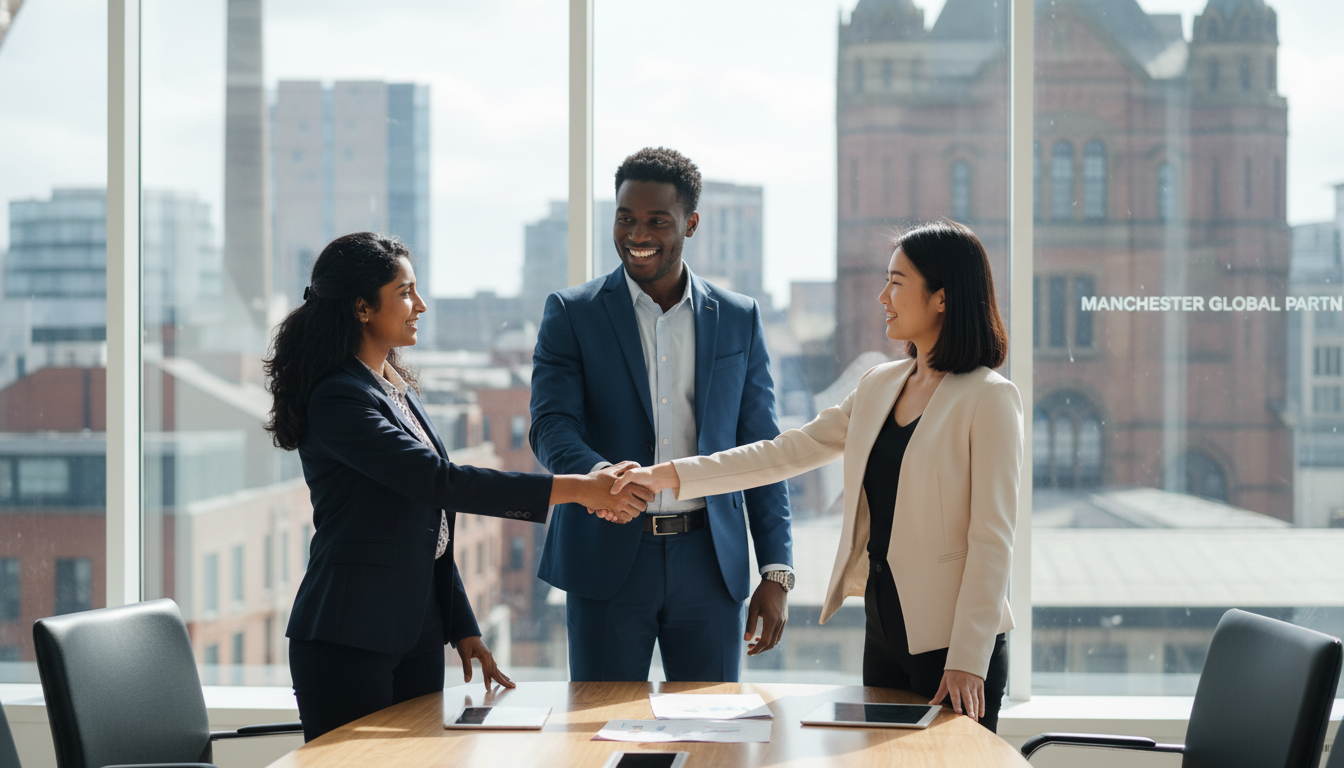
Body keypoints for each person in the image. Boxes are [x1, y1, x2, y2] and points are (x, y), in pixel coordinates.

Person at [612, 221, 1022, 731]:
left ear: (942, 297)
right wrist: (665, 476)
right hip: (885, 628)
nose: (882, 296)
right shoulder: (880, 384)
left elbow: (992, 540)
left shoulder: (990, 398)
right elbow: (783, 454)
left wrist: (967, 657)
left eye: (896, 282)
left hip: (956, 644)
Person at [265, 232, 652, 742]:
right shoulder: (339, 398)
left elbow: (429, 528)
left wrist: (462, 624)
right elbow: (439, 483)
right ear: (362, 307)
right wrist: (578, 488)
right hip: (348, 635)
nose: (419, 305)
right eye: (405, 292)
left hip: (416, 632)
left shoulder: (394, 390)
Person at [529, 147, 794, 683]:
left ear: (690, 223)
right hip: (606, 556)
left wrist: (776, 569)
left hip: (709, 560)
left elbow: (762, 446)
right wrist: (601, 476)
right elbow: (551, 424)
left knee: (713, 741)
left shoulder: (739, 318)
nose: (637, 234)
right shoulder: (572, 313)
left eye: (656, 221)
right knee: (598, 735)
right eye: (626, 218)